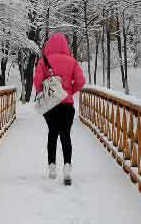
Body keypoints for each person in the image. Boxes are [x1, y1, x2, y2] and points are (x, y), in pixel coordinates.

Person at [33, 33, 86, 185]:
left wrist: (43, 91)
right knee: (66, 135)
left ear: (48, 45)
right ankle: (67, 167)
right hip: (67, 105)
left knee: (52, 133)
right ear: (65, 46)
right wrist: (70, 92)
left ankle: (51, 166)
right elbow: (81, 82)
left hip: (51, 105)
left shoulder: (44, 61)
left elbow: (37, 82)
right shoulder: (72, 61)